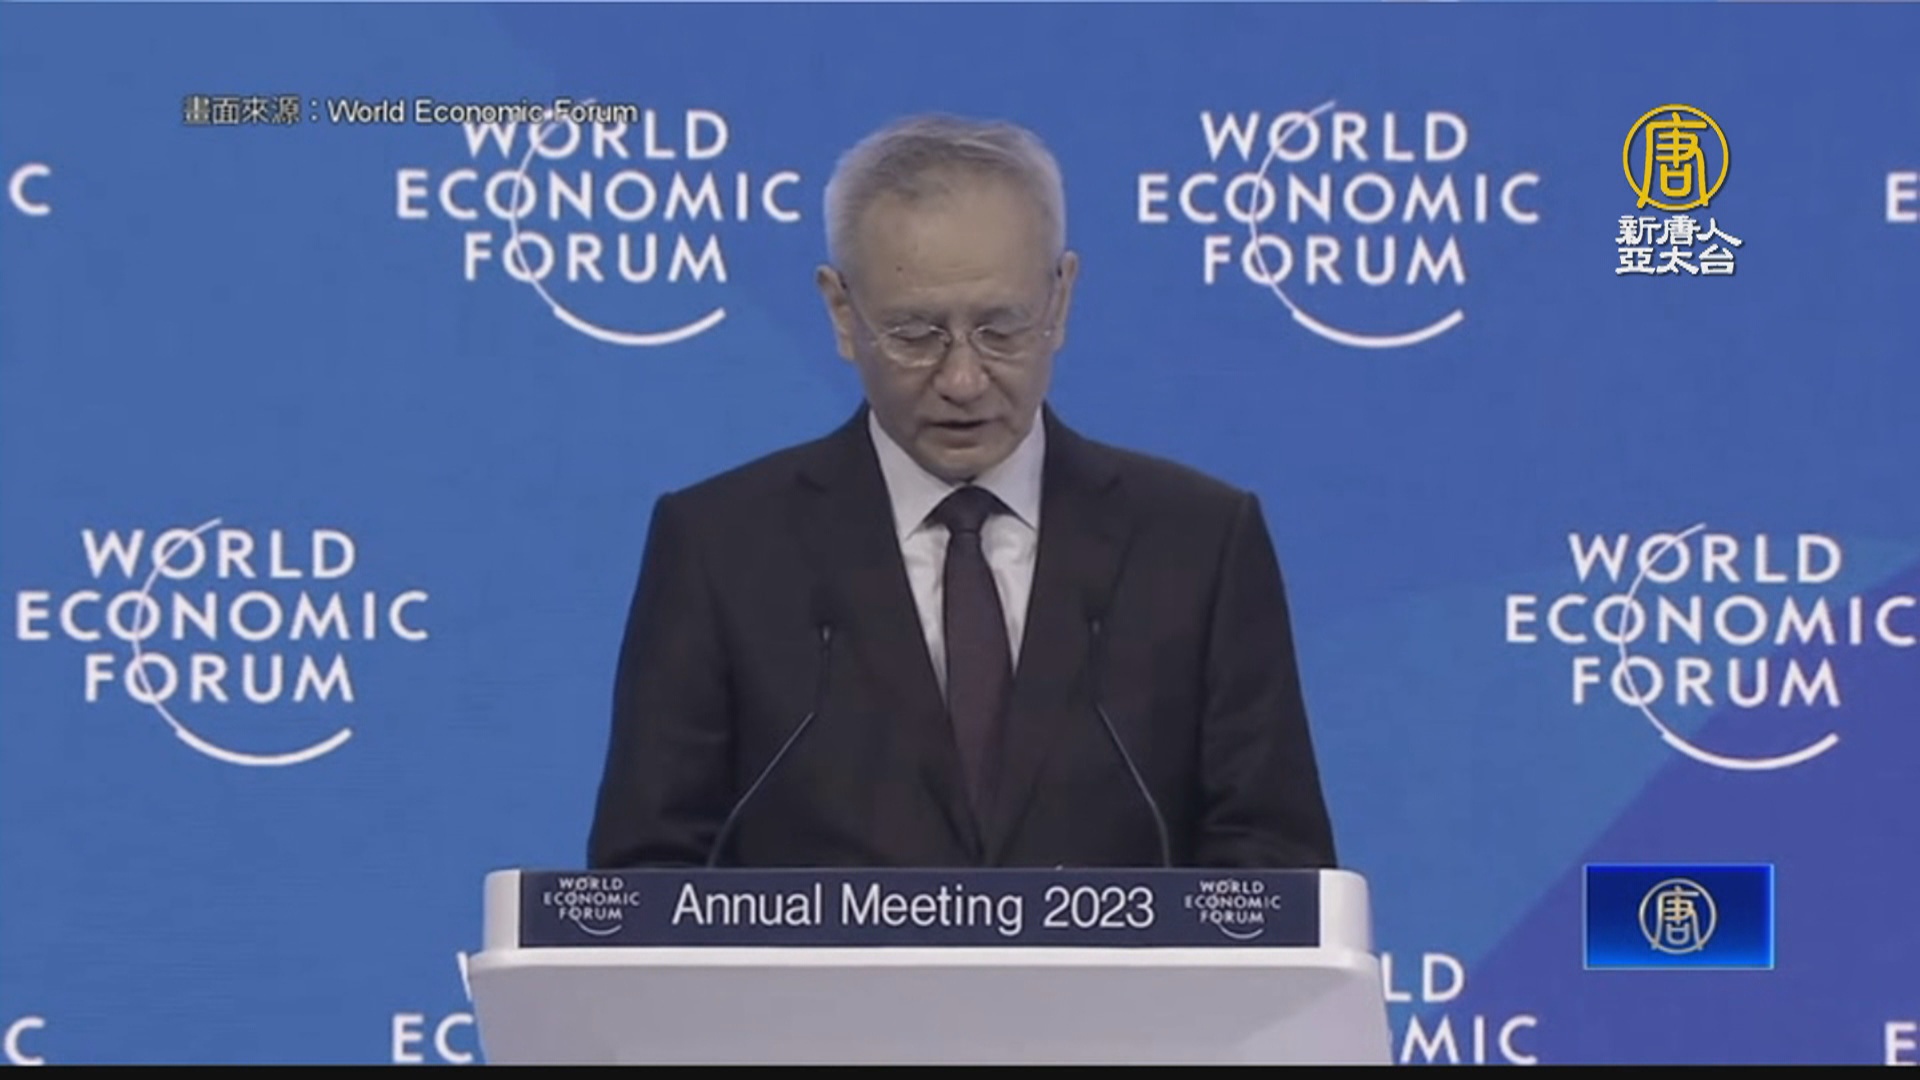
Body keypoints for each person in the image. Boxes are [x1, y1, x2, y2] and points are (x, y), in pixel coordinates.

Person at [587, 114, 1336, 870]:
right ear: (842, 313)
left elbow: (1274, 864)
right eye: (915, 335)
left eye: (1001, 329)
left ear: (1061, 300)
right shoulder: (722, 548)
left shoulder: (1198, 543)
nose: (963, 379)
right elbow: (647, 876)